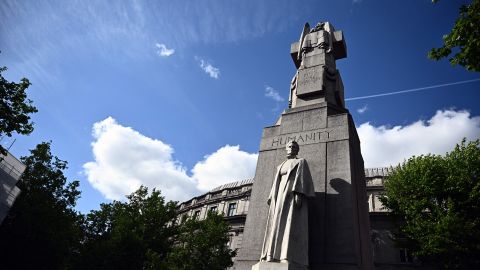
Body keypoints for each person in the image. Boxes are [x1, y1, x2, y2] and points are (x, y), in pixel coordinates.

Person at [260, 140, 315, 267]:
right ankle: (271, 255)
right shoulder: (281, 165)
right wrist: (272, 197)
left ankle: (286, 256)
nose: (291, 148)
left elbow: (303, 178)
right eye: (289, 146)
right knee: (275, 225)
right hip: (279, 197)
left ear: (297, 149)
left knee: (290, 225)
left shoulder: (301, 162)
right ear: (286, 148)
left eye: (294, 146)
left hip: (291, 196)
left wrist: (299, 193)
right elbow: (276, 183)